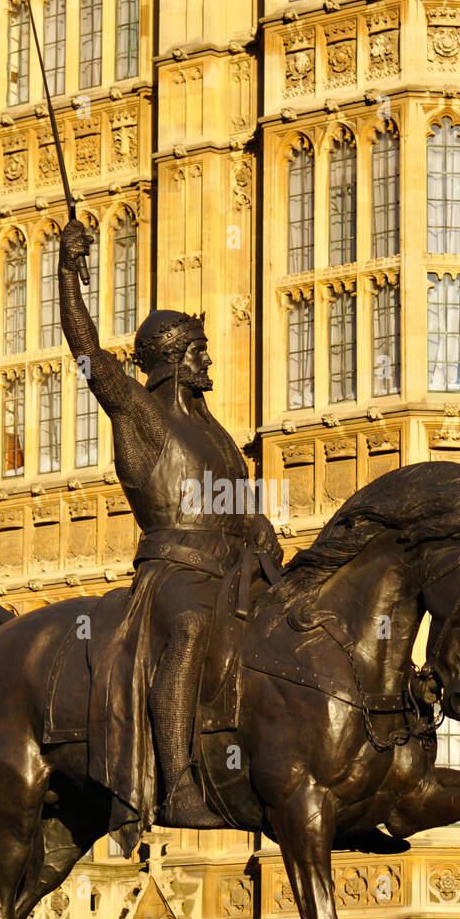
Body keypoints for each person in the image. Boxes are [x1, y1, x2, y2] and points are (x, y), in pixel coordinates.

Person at [58, 217, 282, 831]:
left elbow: (233, 506)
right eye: (198, 351)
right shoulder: (142, 416)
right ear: (173, 361)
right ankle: (177, 784)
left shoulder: (215, 434)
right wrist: (67, 275)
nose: (208, 360)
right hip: (174, 575)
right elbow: (87, 354)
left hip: (230, 571)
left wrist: (257, 528)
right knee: (187, 630)